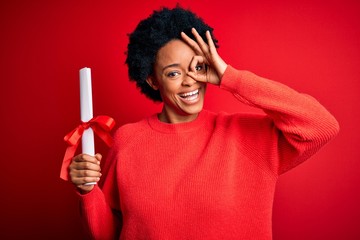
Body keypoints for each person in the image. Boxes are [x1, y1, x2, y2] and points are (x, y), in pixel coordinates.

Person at [68, 6, 339, 240]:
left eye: (198, 67)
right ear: (152, 80)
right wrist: (87, 191)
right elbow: (109, 234)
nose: (190, 81)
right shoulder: (127, 140)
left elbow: (320, 125)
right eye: (173, 72)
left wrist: (230, 77)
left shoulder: (247, 136)